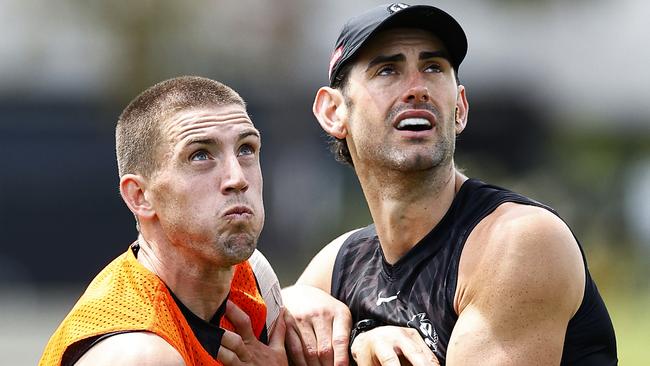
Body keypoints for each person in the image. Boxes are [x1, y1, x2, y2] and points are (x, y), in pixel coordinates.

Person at [282, 3, 617, 365]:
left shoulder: (519, 240)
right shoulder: (341, 264)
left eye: (433, 67)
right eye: (387, 70)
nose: (417, 89)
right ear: (334, 112)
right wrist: (288, 301)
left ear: (459, 107)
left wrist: (355, 345)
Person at [39, 76, 287, 366]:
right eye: (200, 155)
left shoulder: (253, 276)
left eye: (246, 149)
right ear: (140, 196)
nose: (238, 178)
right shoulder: (139, 354)